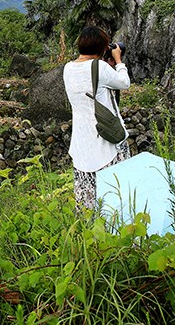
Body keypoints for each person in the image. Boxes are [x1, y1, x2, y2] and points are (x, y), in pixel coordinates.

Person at [62, 25, 131, 212]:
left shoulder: (67, 68)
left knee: (88, 198)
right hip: (106, 138)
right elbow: (124, 83)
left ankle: (89, 233)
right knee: (116, 192)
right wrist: (118, 61)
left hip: (82, 140)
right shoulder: (99, 67)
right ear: (102, 47)